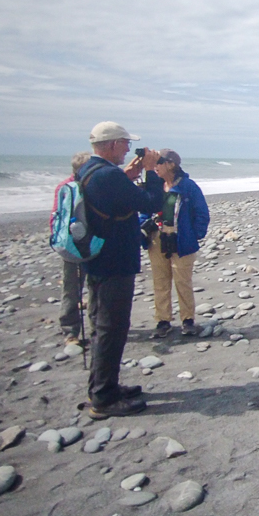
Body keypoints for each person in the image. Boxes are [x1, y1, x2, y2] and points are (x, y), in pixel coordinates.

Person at [75, 122, 164, 418]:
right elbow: (151, 203)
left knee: (104, 326)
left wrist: (130, 175)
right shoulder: (108, 176)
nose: (128, 149)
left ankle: (104, 387)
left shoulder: (90, 171)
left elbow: (112, 199)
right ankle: (103, 397)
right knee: (111, 328)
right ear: (112, 145)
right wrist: (151, 172)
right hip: (114, 261)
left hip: (98, 259)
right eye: (125, 144)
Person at [142, 150, 211, 338]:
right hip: (157, 240)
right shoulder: (155, 187)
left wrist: (194, 235)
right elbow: (144, 208)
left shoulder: (188, 186)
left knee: (183, 281)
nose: (155, 167)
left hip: (182, 240)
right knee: (160, 281)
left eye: (158, 162)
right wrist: (144, 228)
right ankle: (163, 320)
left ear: (171, 164)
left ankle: (187, 320)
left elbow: (201, 213)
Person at [52, 151, 91, 346]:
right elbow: (58, 216)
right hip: (76, 243)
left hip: (83, 242)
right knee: (72, 288)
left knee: (83, 286)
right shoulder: (69, 189)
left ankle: (91, 324)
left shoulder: (66, 187)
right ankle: (70, 330)